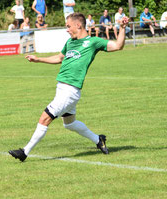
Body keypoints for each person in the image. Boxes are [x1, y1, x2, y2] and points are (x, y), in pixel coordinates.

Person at [9, 13, 129, 162]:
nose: (67, 29)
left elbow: (118, 46)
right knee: (70, 124)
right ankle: (98, 140)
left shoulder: (93, 42)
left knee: (45, 118)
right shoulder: (70, 42)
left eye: (68, 26)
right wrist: (38, 59)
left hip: (70, 91)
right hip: (61, 89)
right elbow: (59, 58)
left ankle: (24, 152)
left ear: (78, 25)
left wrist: (122, 28)